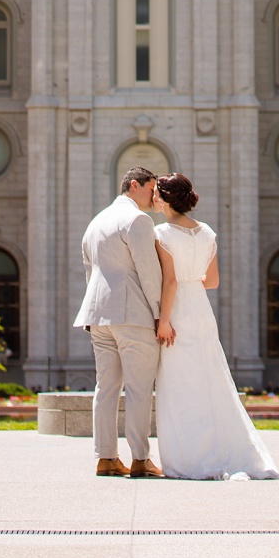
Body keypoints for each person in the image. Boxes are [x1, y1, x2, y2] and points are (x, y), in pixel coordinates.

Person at [153, 173, 279, 480]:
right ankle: (223, 450)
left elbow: (169, 281)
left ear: (167, 198)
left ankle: (188, 458)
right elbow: (212, 281)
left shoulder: (161, 233)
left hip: (179, 310)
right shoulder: (207, 232)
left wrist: (164, 320)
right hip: (201, 309)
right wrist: (192, 279)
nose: (154, 198)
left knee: (178, 384)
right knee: (209, 380)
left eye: (157, 193)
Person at [73, 165, 171, 477]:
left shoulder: (96, 221)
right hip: (133, 315)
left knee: (106, 388)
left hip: (98, 316)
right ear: (134, 186)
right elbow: (148, 272)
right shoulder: (138, 220)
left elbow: (90, 271)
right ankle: (141, 458)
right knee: (140, 389)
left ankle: (106, 457)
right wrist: (161, 316)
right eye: (151, 187)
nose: (154, 194)